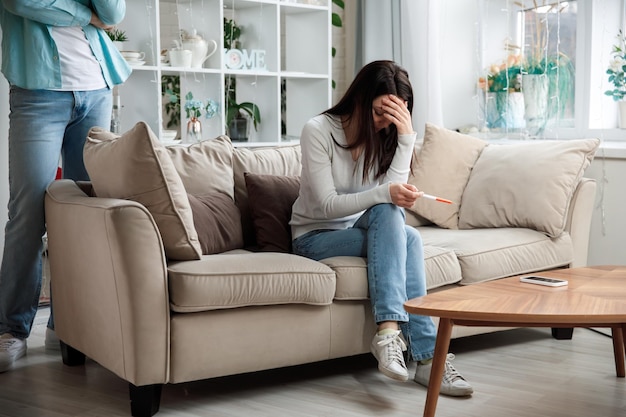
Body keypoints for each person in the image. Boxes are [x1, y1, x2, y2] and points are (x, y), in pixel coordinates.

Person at [290, 60, 473, 396]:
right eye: (379, 112)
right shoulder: (317, 130)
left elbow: (390, 202)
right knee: (407, 233)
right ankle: (396, 336)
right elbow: (328, 205)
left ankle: (420, 355)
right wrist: (384, 193)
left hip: (363, 230)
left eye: (394, 116)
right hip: (315, 238)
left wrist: (405, 139)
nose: (383, 122)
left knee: (407, 232)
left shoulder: (387, 135)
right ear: (359, 100)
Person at [0, 0, 131, 373]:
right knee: (28, 212)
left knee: (87, 216)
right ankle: (12, 329)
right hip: (37, 94)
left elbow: (114, 13)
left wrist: (91, 13)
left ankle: (71, 324)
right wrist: (83, 14)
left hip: (97, 88)